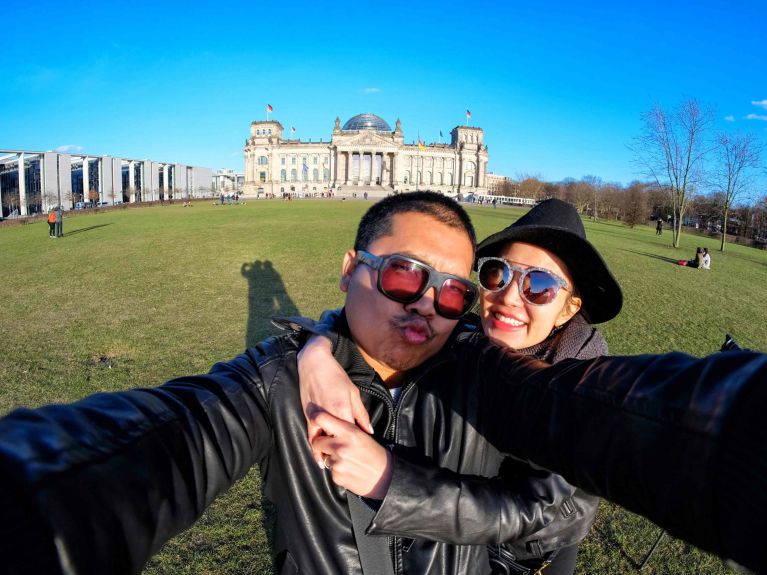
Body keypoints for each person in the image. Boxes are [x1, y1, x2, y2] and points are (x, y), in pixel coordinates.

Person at [0, 192, 766, 575]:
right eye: (405, 273)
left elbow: (630, 424)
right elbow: (163, 441)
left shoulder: (489, 373)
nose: (430, 306)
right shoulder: (279, 381)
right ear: (350, 270)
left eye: (454, 292)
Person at [299, 198, 623, 574]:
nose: (509, 297)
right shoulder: (470, 335)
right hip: (466, 549)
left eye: (539, 285)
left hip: (529, 559)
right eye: (496, 274)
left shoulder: (580, 387)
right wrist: (318, 349)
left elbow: (533, 510)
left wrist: (390, 481)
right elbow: (361, 314)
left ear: (568, 308)